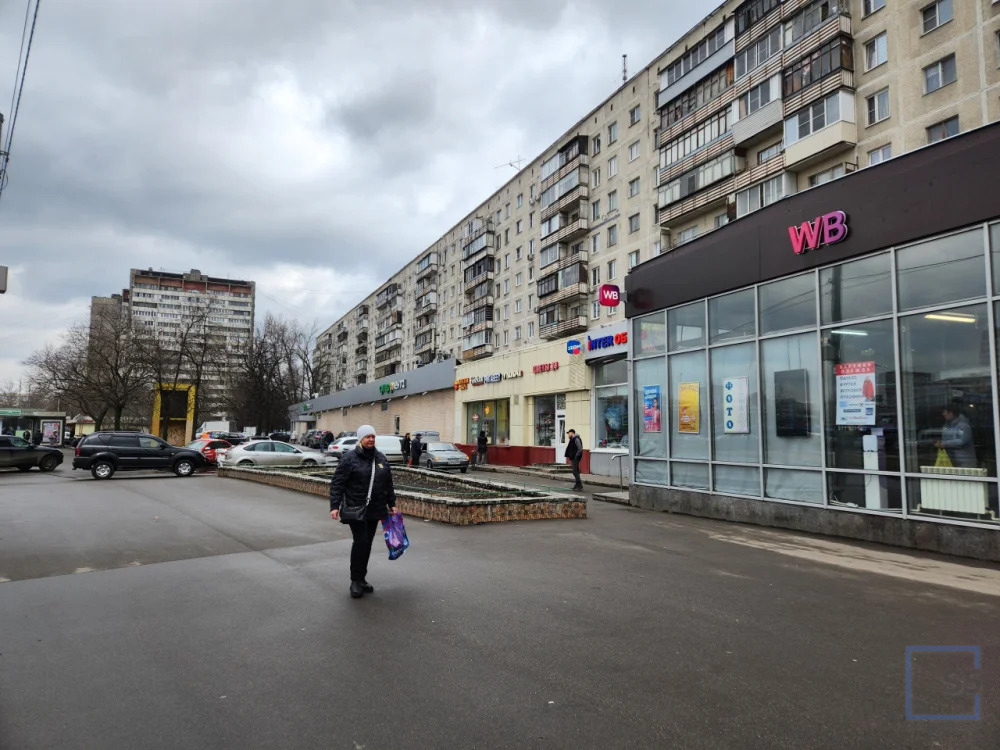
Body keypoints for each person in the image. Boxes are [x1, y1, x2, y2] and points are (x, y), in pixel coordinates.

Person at [329, 425, 399, 598]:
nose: (371, 439)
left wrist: (392, 503)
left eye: (373, 436)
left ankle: (361, 579)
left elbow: (387, 483)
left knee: (367, 544)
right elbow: (338, 483)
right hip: (356, 508)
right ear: (360, 439)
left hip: (375, 509)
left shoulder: (380, 458)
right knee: (360, 542)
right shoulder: (349, 458)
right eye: (367, 437)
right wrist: (334, 506)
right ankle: (355, 581)